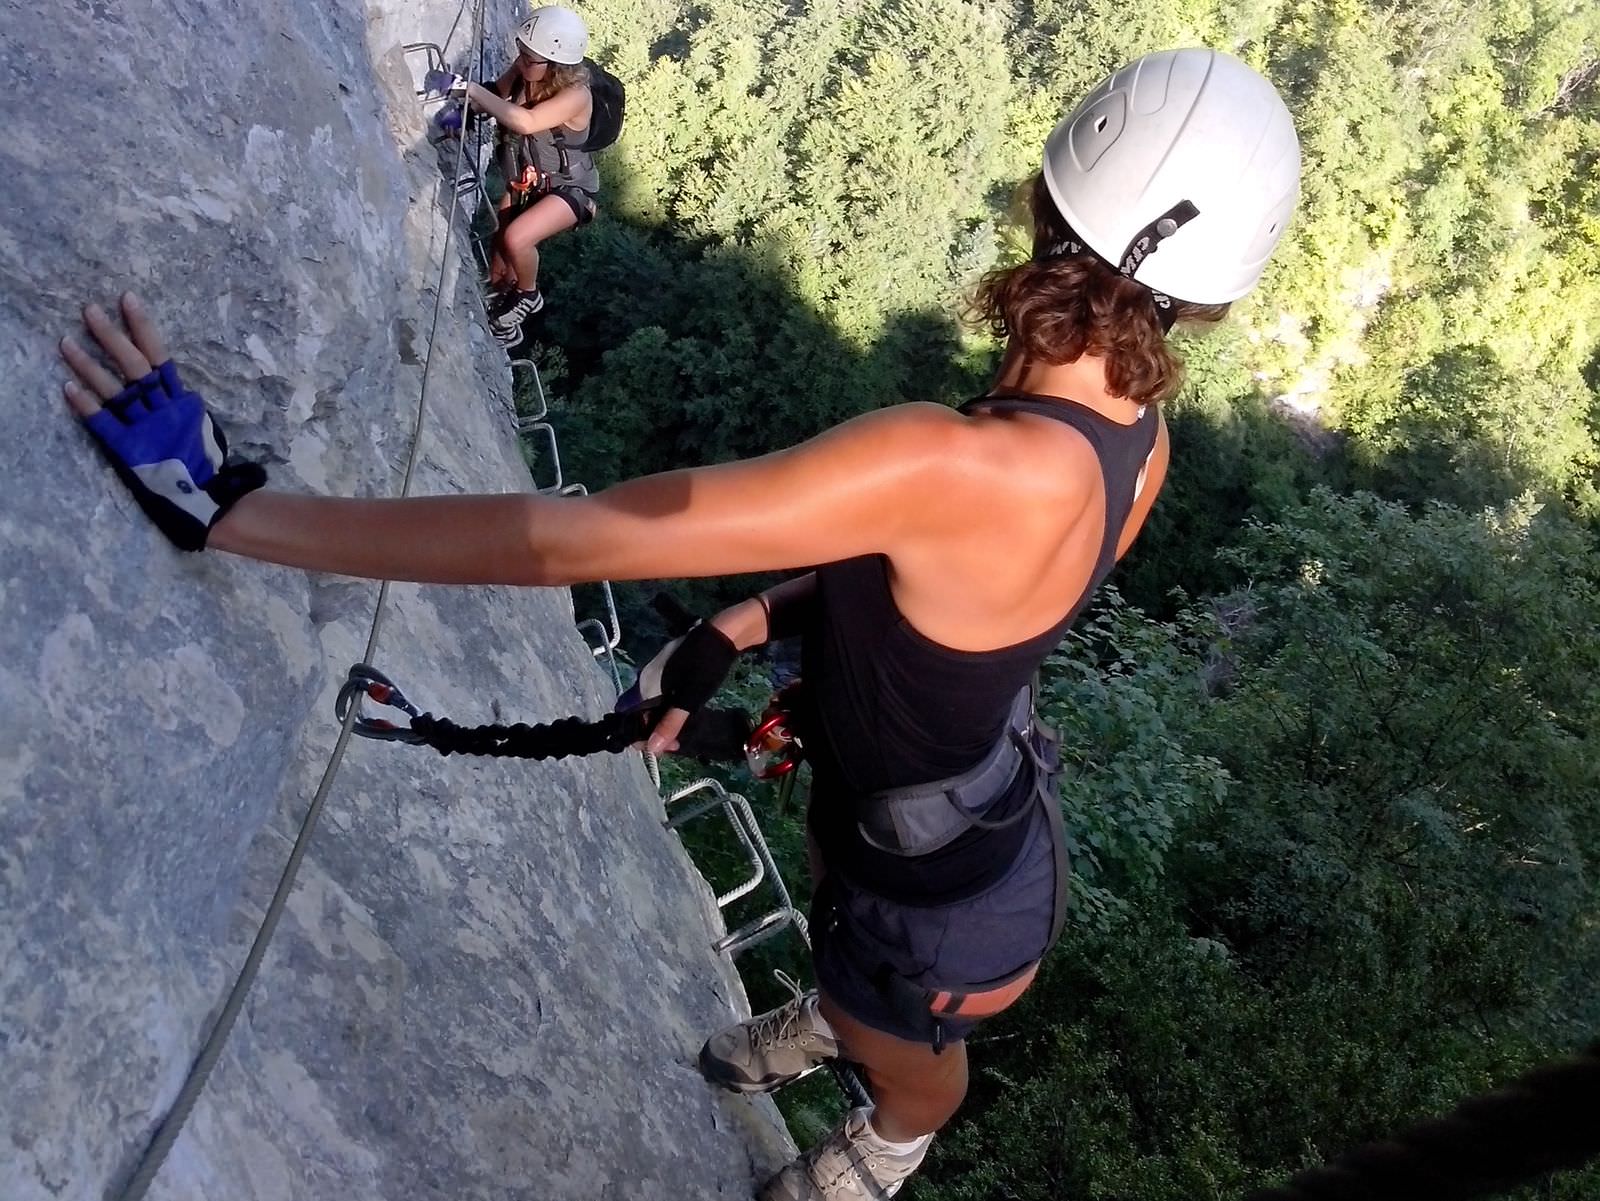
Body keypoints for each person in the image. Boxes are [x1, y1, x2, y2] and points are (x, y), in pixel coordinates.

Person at [56, 48, 1299, 1201]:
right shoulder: (1133, 445)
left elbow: (587, 535)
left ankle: (890, 1134)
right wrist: (744, 624)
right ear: (1204, 309)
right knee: (856, 980)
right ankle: (838, 1019)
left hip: (934, 904)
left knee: (901, 1050)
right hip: (956, 833)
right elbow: (958, 597)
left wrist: (239, 509)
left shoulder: (956, 460)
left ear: (1045, 190)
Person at [466, 5, 598, 346]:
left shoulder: (576, 95)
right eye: (522, 54)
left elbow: (526, 122)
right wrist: (464, 107)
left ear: (556, 63)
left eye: (530, 58)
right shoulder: (530, 68)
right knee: (499, 263)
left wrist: (471, 91)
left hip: (570, 190)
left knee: (517, 238)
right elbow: (497, 94)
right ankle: (505, 325)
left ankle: (529, 295)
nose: (522, 62)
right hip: (531, 180)